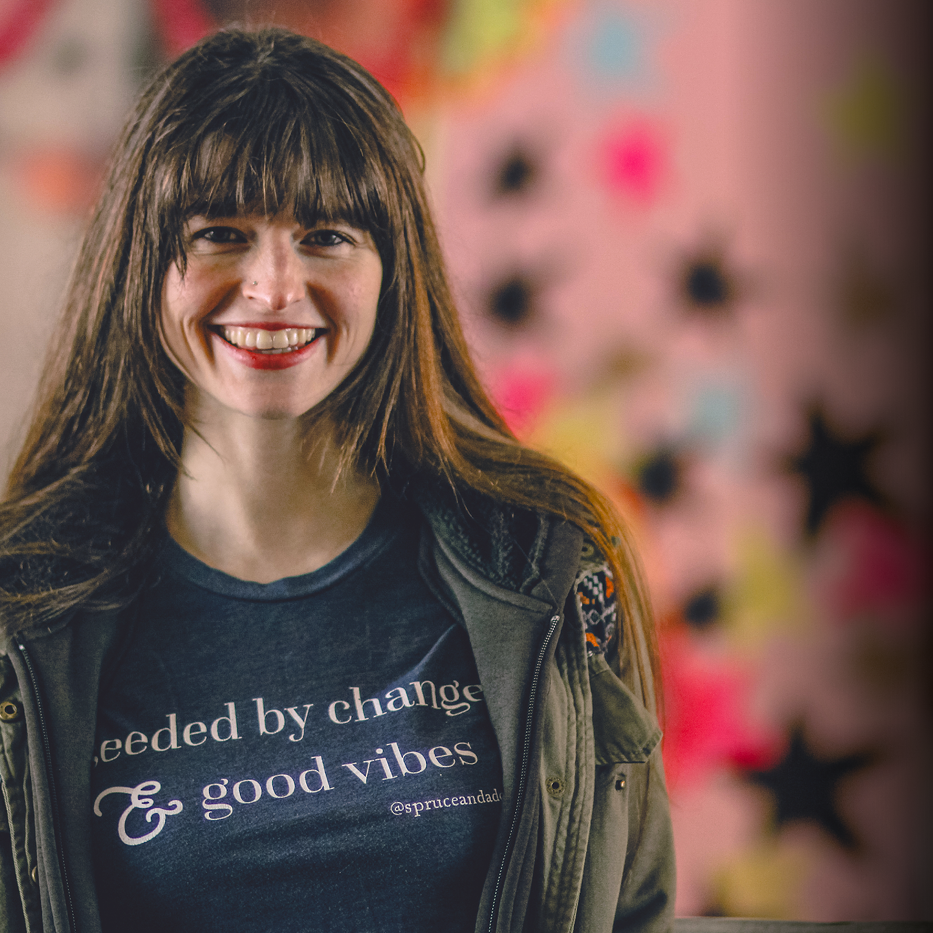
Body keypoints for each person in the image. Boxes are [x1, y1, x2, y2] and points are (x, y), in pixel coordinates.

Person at [0, 26, 674, 933]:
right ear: (141, 268)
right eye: (220, 235)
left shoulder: (545, 566)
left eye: (324, 236)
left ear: (394, 273)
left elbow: (632, 908)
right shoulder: (24, 610)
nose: (274, 286)